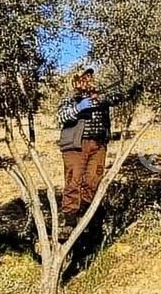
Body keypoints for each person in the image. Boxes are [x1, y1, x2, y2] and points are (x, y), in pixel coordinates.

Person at [56, 69, 141, 236]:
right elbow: (61, 117)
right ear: (76, 81)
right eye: (83, 78)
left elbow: (118, 97)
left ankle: (88, 217)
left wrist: (134, 87)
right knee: (73, 181)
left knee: (93, 181)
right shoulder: (70, 98)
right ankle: (70, 221)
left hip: (98, 145)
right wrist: (79, 107)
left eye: (89, 77)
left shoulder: (100, 98)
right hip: (75, 146)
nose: (87, 80)